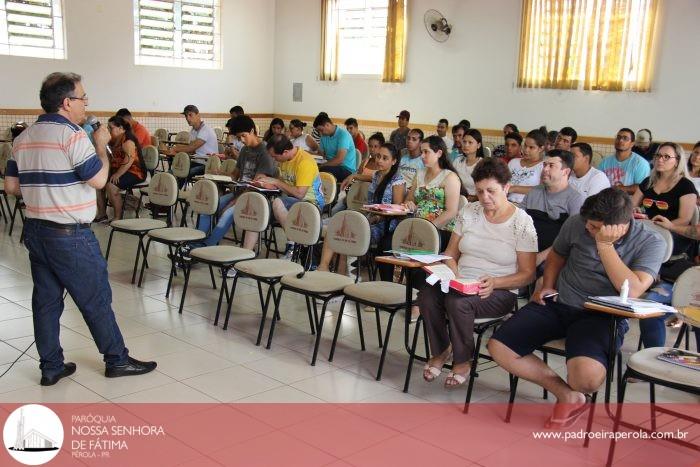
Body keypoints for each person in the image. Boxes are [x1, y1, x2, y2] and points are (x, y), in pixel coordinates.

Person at [3, 72, 156, 386]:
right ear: (66, 102)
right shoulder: (72, 136)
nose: (86, 103)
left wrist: (42, 187)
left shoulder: (23, 138)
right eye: (83, 97)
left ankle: (51, 366)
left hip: (36, 231)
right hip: (69, 235)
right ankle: (117, 360)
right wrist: (100, 146)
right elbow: (99, 180)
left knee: (46, 302)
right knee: (95, 298)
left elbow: (11, 187)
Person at [488, 188, 665, 428]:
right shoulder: (577, 223)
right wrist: (547, 285)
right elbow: (557, 256)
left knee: (587, 380)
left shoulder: (651, 241)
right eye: (587, 225)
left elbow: (632, 289)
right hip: (559, 302)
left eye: (594, 228)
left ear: (621, 226)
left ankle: (578, 391)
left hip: (603, 316)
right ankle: (566, 394)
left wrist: (605, 246)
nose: (587, 230)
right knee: (499, 346)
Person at [420, 158, 537, 387]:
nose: (485, 198)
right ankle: (442, 349)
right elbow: (450, 253)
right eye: (480, 191)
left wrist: (496, 282)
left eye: (491, 191)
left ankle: (463, 360)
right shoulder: (470, 211)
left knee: (457, 303)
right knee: (427, 293)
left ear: (506, 188)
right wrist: (451, 272)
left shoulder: (521, 222)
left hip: (499, 290)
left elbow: (528, 274)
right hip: (461, 282)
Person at [631, 143, 697, 349]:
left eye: (666, 157)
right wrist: (637, 215)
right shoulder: (647, 182)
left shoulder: (685, 186)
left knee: (651, 309)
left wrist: (668, 225)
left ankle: (653, 357)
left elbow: (685, 219)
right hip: (645, 243)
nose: (660, 159)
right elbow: (631, 207)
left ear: (677, 161)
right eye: (658, 155)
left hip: (673, 250)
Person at [378, 136, 461, 283]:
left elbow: (451, 211)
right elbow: (409, 200)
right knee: (385, 243)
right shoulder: (420, 174)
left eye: (426, 152)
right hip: (416, 226)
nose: (422, 156)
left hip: (440, 230)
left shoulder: (450, 177)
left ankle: (416, 296)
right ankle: (387, 285)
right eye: (421, 152)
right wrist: (409, 204)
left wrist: (429, 229)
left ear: (439, 153)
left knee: (420, 249)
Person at [190, 115, 278, 250]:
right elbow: (235, 176)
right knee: (208, 206)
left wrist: (235, 201)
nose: (241, 140)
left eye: (243, 136)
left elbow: (257, 185)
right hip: (239, 193)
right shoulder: (245, 150)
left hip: (255, 198)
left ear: (252, 131)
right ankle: (198, 239)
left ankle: (206, 246)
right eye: (239, 138)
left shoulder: (265, 152)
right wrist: (219, 174)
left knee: (227, 213)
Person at [318, 143, 405, 274]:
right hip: (368, 218)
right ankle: (323, 268)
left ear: (393, 161)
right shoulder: (377, 175)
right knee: (337, 226)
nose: (379, 160)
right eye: (378, 156)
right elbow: (365, 177)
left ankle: (343, 273)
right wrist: (353, 176)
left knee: (346, 234)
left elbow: (397, 209)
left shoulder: (397, 180)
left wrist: (376, 217)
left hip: (384, 225)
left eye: (385, 158)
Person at [247, 134, 325, 253]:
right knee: (258, 209)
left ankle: (292, 244)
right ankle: (244, 254)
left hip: (310, 205)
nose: (274, 160)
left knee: (278, 202)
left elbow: (300, 194)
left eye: (275, 157)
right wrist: (265, 181)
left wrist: (276, 181)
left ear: (285, 152)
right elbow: (284, 183)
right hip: (289, 203)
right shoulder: (285, 159)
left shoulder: (305, 161)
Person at [521, 149, 584, 266]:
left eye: (551, 166)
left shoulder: (575, 199)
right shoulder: (533, 192)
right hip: (526, 250)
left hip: (556, 256)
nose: (545, 169)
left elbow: (571, 238)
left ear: (565, 171)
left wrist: (541, 257)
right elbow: (518, 223)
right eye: (544, 165)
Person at [94, 116, 147, 222]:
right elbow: (108, 157)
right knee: (99, 184)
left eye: (111, 128)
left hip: (135, 172)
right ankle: (102, 214)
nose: (109, 130)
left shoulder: (128, 140)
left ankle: (117, 218)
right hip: (121, 169)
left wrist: (117, 174)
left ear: (121, 128)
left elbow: (129, 161)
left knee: (111, 186)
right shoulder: (113, 140)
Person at [163, 105, 219, 186]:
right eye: (186, 116)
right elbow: (192, 150)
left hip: (207, 165)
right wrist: (175, 152)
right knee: (170, 173)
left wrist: (175, 149)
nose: (187, 118)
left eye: (190, 115)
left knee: (180, 174)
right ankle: (172, 193)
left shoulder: (206, 130)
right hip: (195, 161)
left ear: (198, 115)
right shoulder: (193, 130)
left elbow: (192, 147)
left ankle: (174, 194)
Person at [598, 128, 650, 194]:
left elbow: (643, 187)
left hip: (629, 203)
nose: (620, 140)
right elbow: (598, 181)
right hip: (607, 201)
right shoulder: (605, 162)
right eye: (618, 137)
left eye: (625, 138)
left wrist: (621, 189)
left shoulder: (641, 163)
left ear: (632, 144)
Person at [313, 113, 356, 181]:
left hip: (346, 169)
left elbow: (339, 160)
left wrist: (322, 166)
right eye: (318, 131)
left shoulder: (343, 135)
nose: (320, 133)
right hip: (330, 166)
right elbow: (320, 155)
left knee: (321, 170)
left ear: (327, 125)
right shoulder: (324, 136)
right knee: (309, 166)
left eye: (321, 130)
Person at [507, 129, 546, 204]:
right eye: (525, 145)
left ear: (541, 148)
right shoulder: (513, 162)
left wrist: (514, 188)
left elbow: (542, 190)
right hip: (507, 204)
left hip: (528, 208)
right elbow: (502, 183)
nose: (526, 150)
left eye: (531, 147)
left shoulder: (543, 166)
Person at [452, 128, 484, 201]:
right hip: (457, 199)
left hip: (476, 202)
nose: (466, 145)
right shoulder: (457, 161)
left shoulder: (482, 165)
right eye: (464, 141)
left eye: (470, 142)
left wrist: (474, 198)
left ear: (478, 145)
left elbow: (486, 189)